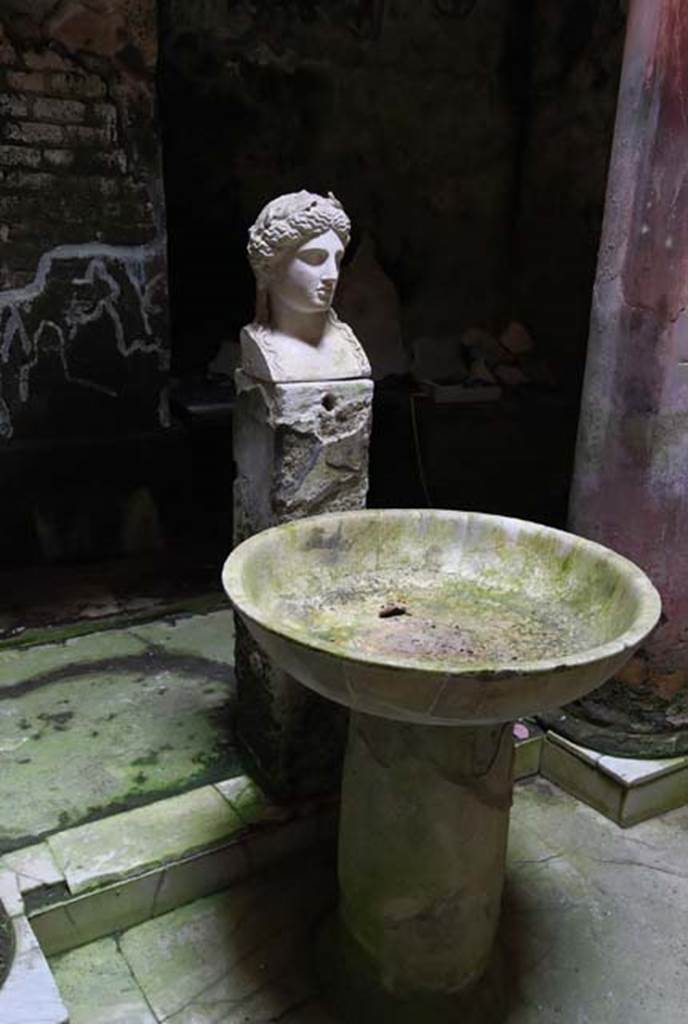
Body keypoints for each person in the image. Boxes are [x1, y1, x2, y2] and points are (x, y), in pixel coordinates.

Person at [241, 190, 370, 382]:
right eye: (314, 258)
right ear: (269, 267)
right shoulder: (264, 348)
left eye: (337, 260)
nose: (332, 275)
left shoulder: (346, 346)